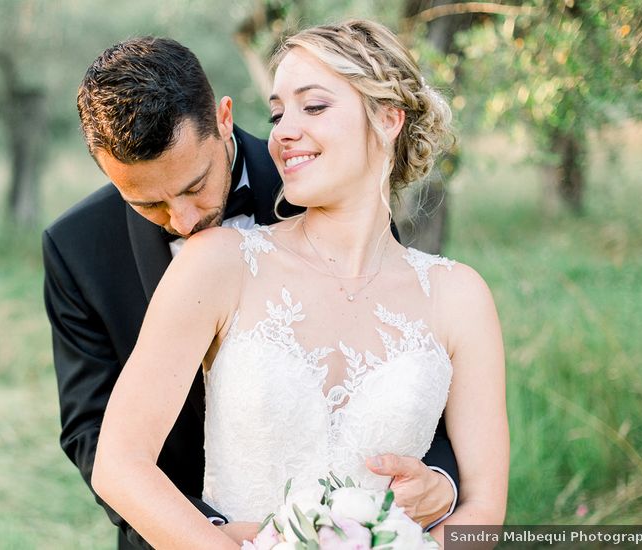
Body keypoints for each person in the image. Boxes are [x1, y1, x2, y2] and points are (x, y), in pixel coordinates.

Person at [89, 20, 508, 549]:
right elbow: (118, 465)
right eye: (277, 112)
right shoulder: (219, 262)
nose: (283, 130)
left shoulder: (460, 296)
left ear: (387, 118)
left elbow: (485, 511)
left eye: (313, 107)